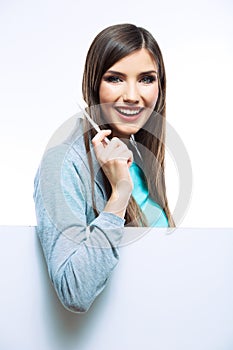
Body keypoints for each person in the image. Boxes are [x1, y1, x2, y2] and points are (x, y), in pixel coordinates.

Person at [34, 23, 175, 313]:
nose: (133, 95)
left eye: (147, 79)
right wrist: (120, 193)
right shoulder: (63, 163)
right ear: (93, 84)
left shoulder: (138, 154)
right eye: (115, 79)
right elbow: (74, 289)